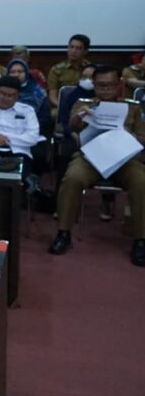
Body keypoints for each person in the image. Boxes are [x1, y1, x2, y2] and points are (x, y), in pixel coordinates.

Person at [49, 65, 145, 265]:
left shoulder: (133, 107)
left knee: (141, 181)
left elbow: (143, 138)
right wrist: (80, 117)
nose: (106, 90)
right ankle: (63, 233)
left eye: (110, 85)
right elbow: (72, 126)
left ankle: (140, 240)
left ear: (119, 84)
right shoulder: (84, 104)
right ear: (93, 85)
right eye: (101, 85)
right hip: (91, 157)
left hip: (124, 158)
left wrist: (131, 138)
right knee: (72, 178)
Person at [0, 76, 42, 160]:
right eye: (2, 94)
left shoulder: (27, 111)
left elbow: (32, 138)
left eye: (10, 95)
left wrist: (5, 139)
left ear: (18, 95)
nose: (5, 98)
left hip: (18, 153)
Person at [0, 58, 50, 131]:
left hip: (30, 130)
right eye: (13, 72)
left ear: (27, 73)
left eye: (20, 71)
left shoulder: (38, 92)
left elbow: (44, 117)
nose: (16, 75)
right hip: (1, 129)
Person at [48, 34, 91, 108]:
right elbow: (52, 97)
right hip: (63, 106)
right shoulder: (56, 70)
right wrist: (64, 108)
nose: (73, 51)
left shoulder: (91, 69)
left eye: (78, 48)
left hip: (86, 106)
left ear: (85, 51)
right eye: (71, 47)